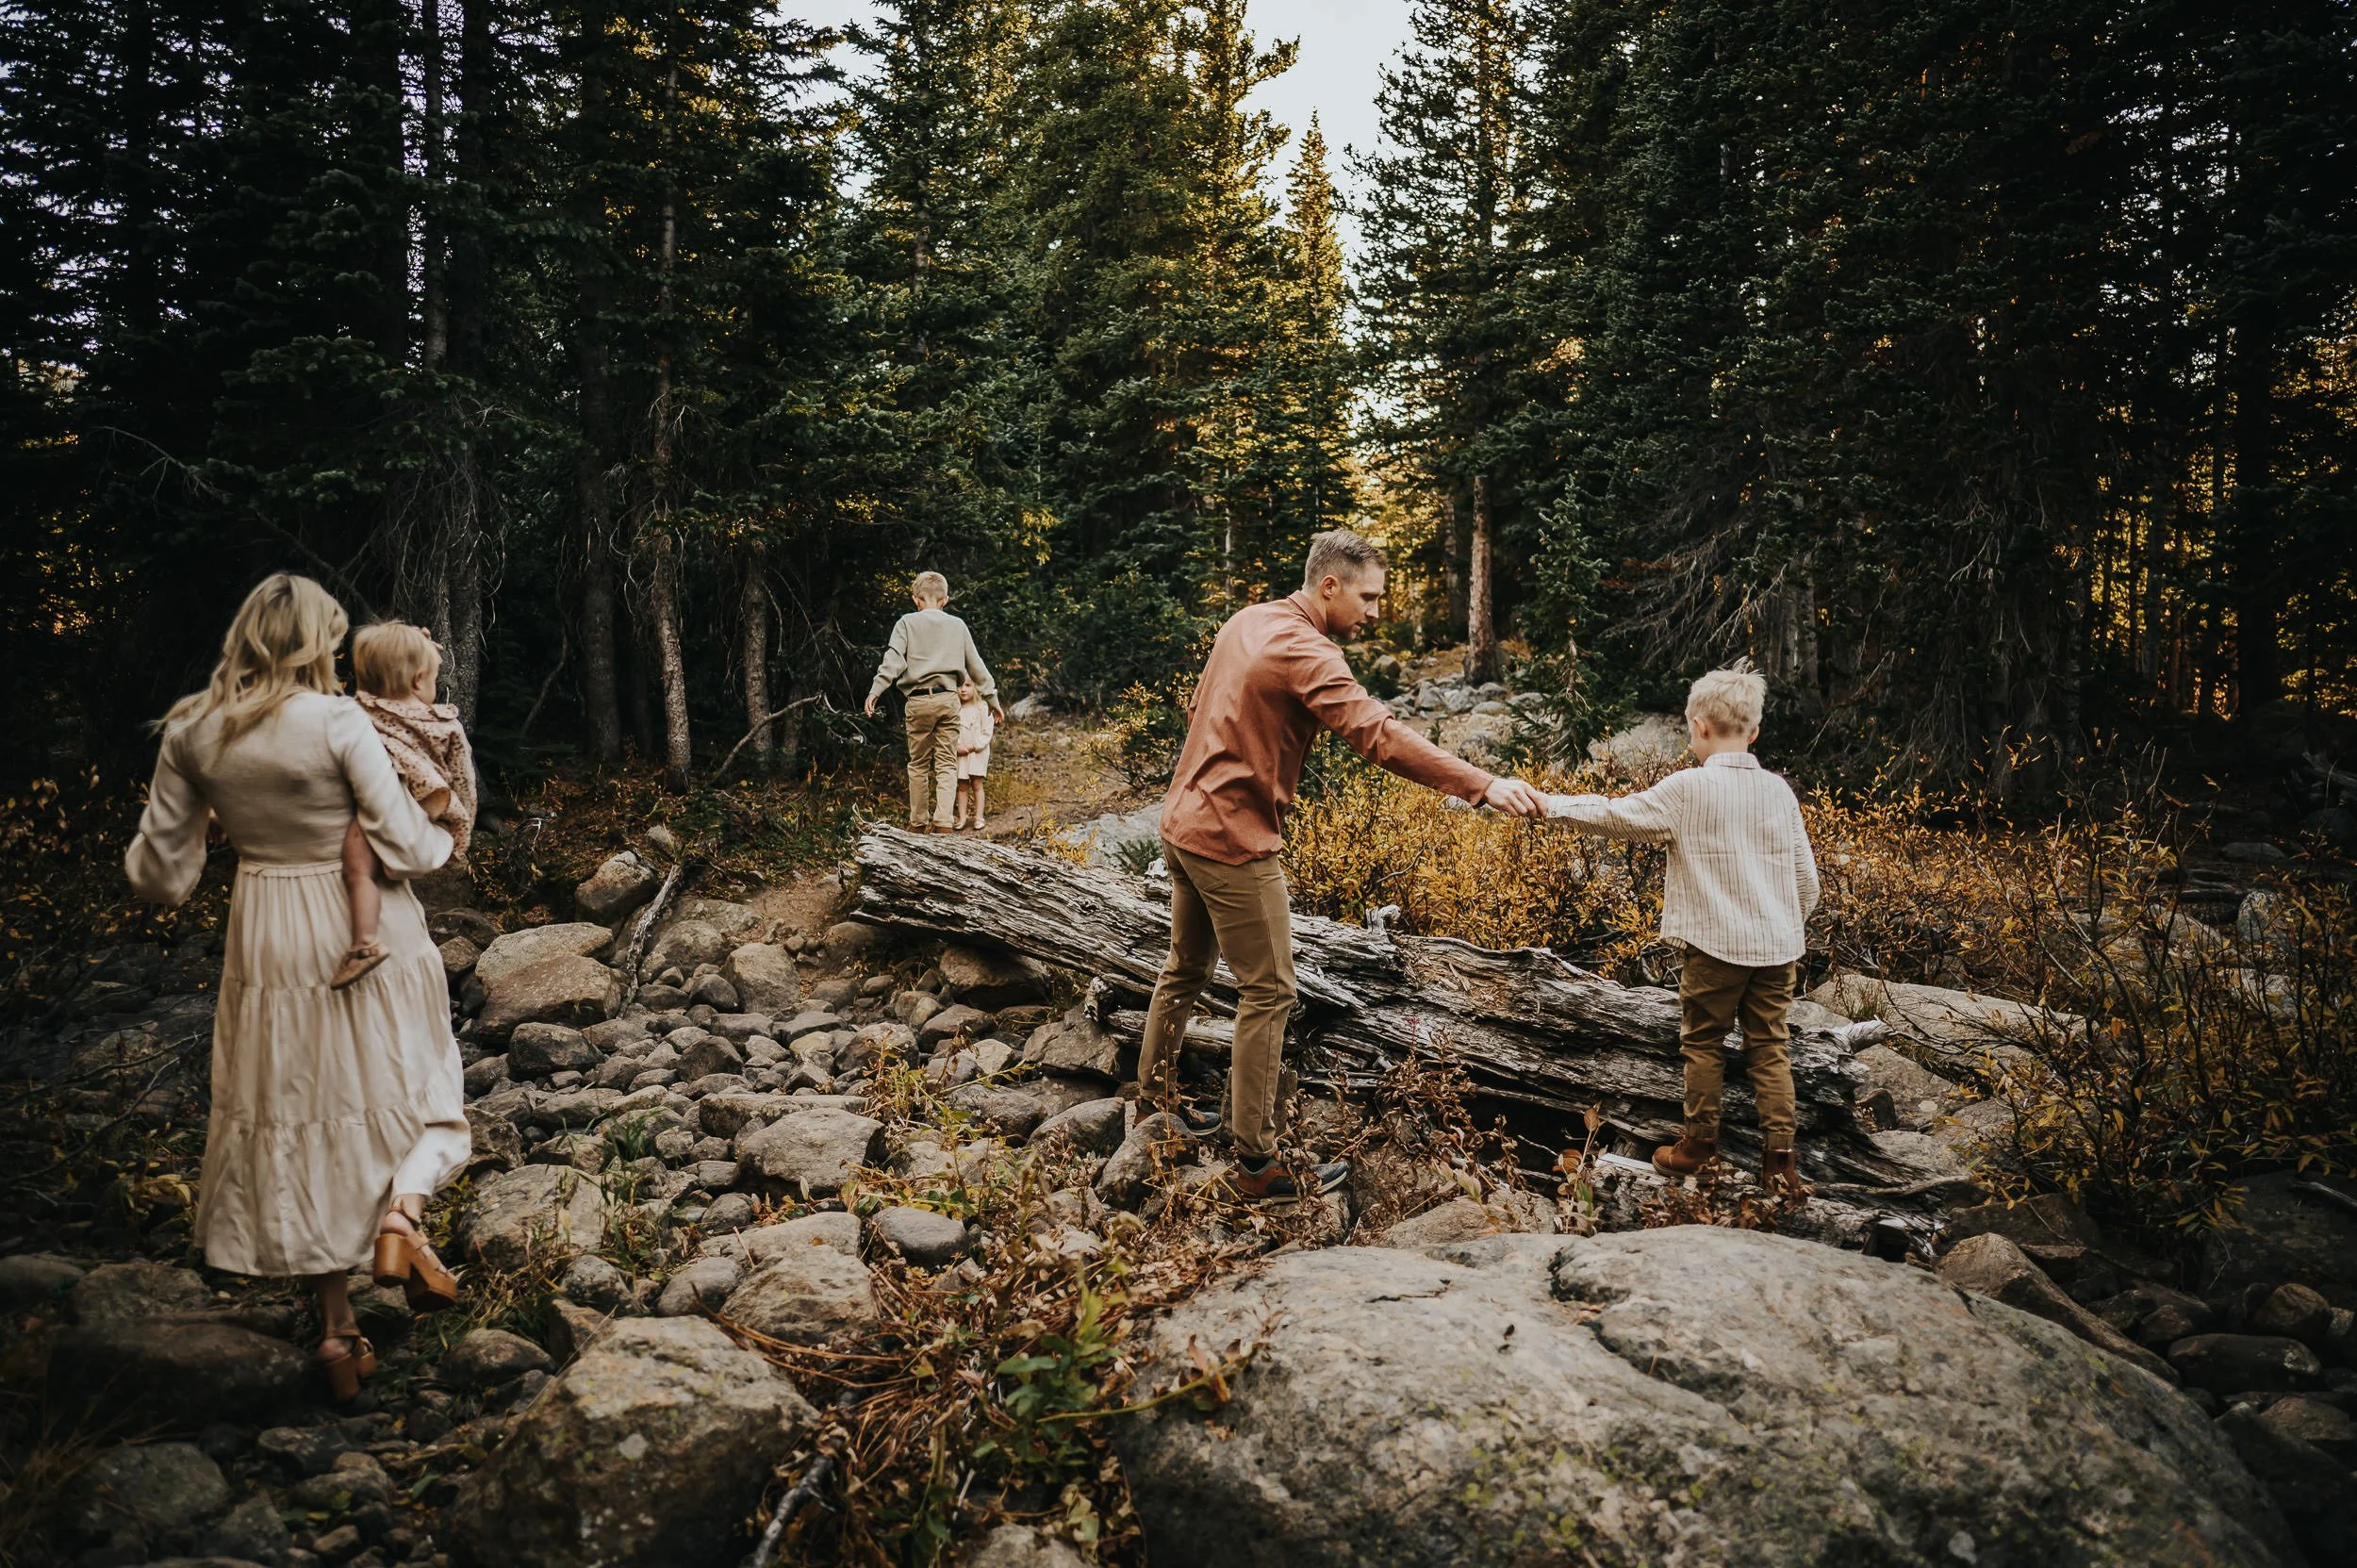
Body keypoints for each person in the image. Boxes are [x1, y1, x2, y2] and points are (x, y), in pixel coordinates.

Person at [125, 574, 470, 1401]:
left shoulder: (191, 729)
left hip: (267, 931)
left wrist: (223, 824)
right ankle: (401, 1217)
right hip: (370, 926)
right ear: (321, 641)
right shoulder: (339, 719)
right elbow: (405, 840)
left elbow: (160, 878)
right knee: (425, 1091)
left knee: (296, 1112)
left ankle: (336, 1333)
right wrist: (442, 828)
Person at [1139, 528, 1548, 1203]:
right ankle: (1258, 1164)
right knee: (1270, 991)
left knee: (1183, 967)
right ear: (1328, 586)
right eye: (1369, 596)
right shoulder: (1306, 648)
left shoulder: (1249, 620)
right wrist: (1481, 784)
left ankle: (1152, 1106)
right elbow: (1378, 735)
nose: (1377, 610)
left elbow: (1198, 706)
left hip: (1181, 824)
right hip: (1232, 842)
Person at [1538, 662, 1820, 1197]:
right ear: (1754, 732)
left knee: (1704, 1043)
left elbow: (1613, 814)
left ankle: (1697, 1146)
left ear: (1699, 726)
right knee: (1770, 1047)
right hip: (1778, 949)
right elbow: (1806, 880)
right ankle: (1780, 1162)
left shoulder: (1689, 789)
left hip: (1715, 949)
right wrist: (1785, 927)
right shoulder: (1779, 793)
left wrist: (1548, 805)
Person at [332, 622, 477, 989]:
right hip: (428, 802)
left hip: (386, 801)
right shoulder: (447, 724)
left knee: (357, 869)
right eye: (432, 678)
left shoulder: (358, 711)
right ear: (416, 681)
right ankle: (367, 942)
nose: (434, 686)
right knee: (371, 870)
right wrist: (460, 829)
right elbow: (464, 781)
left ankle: (364, 942)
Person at [865, 570, 1002, 832]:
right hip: (949, 700)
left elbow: (893, 660)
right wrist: (993, 699)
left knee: (917, 765)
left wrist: (876, 690)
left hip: (917, 702)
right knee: (947, 764)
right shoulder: (957, 625)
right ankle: (943, 824)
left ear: (916, 599)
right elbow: (976, 666)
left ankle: (917, 823)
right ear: (944, 600)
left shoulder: (906, 623)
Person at [952, 679, 995, 831]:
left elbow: (986, 732)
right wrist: (957, 746)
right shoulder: (955, 709)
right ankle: (962, 818)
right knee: (962, 785)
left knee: (977, 783)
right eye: (960, 686)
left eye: (968, 685)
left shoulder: (982, 707)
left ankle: (979, 817)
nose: (963, 689)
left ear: (976, 687)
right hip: (961, 752)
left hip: (977, 752)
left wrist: (973, 746)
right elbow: (951, 731)